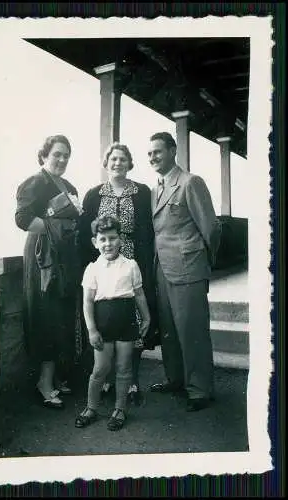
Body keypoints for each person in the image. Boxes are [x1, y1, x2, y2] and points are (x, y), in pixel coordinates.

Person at [79, 142, 158, 404]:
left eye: (123, 159)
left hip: (133, 260)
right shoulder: (93, 195)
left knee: (131, 322)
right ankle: (108, 380)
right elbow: (85, 234)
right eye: (113, 159)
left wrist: (145, 265)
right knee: (106, 320)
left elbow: (148, 230)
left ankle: (131, 380)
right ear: (106, 163)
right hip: (103, 265)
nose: (118, 163)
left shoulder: (142, 192)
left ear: (129, 163)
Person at [148, 132, 222, 412]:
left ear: (173, 151)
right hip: (163, 270)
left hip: (188, 268)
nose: (153, 157)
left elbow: (211, 228)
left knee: (192, 330)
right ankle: (176, 379)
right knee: (169, 329)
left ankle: (200, 389)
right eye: (150, 154)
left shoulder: (191, 182)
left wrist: (203, 262)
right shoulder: (156, 189)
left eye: (158, 151)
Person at [15, 134, 82, 409]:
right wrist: (58, 228)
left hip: (62, 258)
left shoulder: (67, 185)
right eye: (57, 154)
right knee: (45, 315)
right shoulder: (35, 183)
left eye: (66, 155)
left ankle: (56, 378)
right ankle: (44, 382)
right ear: (44, 155)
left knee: (62, 315)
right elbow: (22, 219)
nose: (62, 159)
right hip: (42, 256)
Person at [75, 215, 151, 431]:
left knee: (124, 368)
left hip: (126, 323)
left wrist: (146, 317)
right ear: (95, 242)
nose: (108, 243)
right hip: (102, 325)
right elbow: (87, 302)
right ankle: (91, 407)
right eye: (103, 239)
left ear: (120, 240)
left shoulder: (131, 265)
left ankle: (119, 409)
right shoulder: (92, 269)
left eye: (112, 238)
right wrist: (91, 330)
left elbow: (139, 294)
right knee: (100, 369)